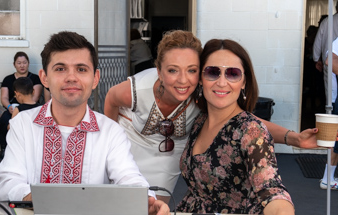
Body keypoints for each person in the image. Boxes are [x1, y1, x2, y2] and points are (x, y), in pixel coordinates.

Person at [105, 30, 319, 203]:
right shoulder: (138, 89)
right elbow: (111, 100)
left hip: (169, 154)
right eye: (172, 70)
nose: (182, 80)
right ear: (159, 71)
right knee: (118, 201)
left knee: (151, 210)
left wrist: (294, 138)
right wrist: (110, 144)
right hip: (132, 142)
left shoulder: (201, 99)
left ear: (199, 72)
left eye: (191, 70)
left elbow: (246, 122)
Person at [0, 31, 172, 215]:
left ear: (95, 78)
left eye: (81, 69)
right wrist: (38, 198)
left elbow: (129, 178)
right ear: (44, 77)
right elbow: (8, 183)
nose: (71, 77)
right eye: (60, 68)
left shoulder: (110, 131)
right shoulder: (23, 125)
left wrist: (147, 203)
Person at [176, 39, 316, 215]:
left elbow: (270, 188)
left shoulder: (251, 130)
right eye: (212, 72)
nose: (222, 82)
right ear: (200, 79)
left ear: (244, 83)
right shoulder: (200, 119)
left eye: (232, 74)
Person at [0, 52, 44, 152]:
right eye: (19, 63)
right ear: (14, 64)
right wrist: (9, 106)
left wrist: (24, 108)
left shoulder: (35, 78)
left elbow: (34, 98)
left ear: (28, 63)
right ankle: (5, 147)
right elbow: (4, 97)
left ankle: (28, 148)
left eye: (24, 62)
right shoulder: (8, 79)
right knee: (3, 119)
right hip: (11, 109)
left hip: (30, 108)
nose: (22, 65)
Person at [313, 4, 338, 186]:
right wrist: (319, 59)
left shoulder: (328, 21)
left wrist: (316, 58)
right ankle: (327, 178)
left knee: (332, 102)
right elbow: (331, 58)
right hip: (333, 72)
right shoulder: (328, 21)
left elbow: (318, 43)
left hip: (331, 74)